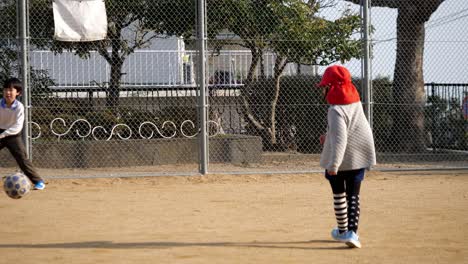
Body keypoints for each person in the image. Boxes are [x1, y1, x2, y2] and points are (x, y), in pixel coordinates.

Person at [317, 65, 376, 248]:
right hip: (359, 153)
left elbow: (341, 139)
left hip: (343, 155)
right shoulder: (354, 101)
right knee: (354, 195)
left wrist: (334, 164)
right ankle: (352, 233)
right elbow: (349, 127)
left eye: (326, 86)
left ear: (331, 87)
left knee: (339, 194)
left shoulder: (335, 110)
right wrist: (328, 136)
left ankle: (343, 232)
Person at [0, 77, 45, 190]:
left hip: (13, 134)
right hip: (0, 130)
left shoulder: (19, 107)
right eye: (5, 89)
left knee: (22, 158)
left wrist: (3, 134)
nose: (7, 92)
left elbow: (18, 126)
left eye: (11, 90)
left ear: (18, 93)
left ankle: (38, 182)